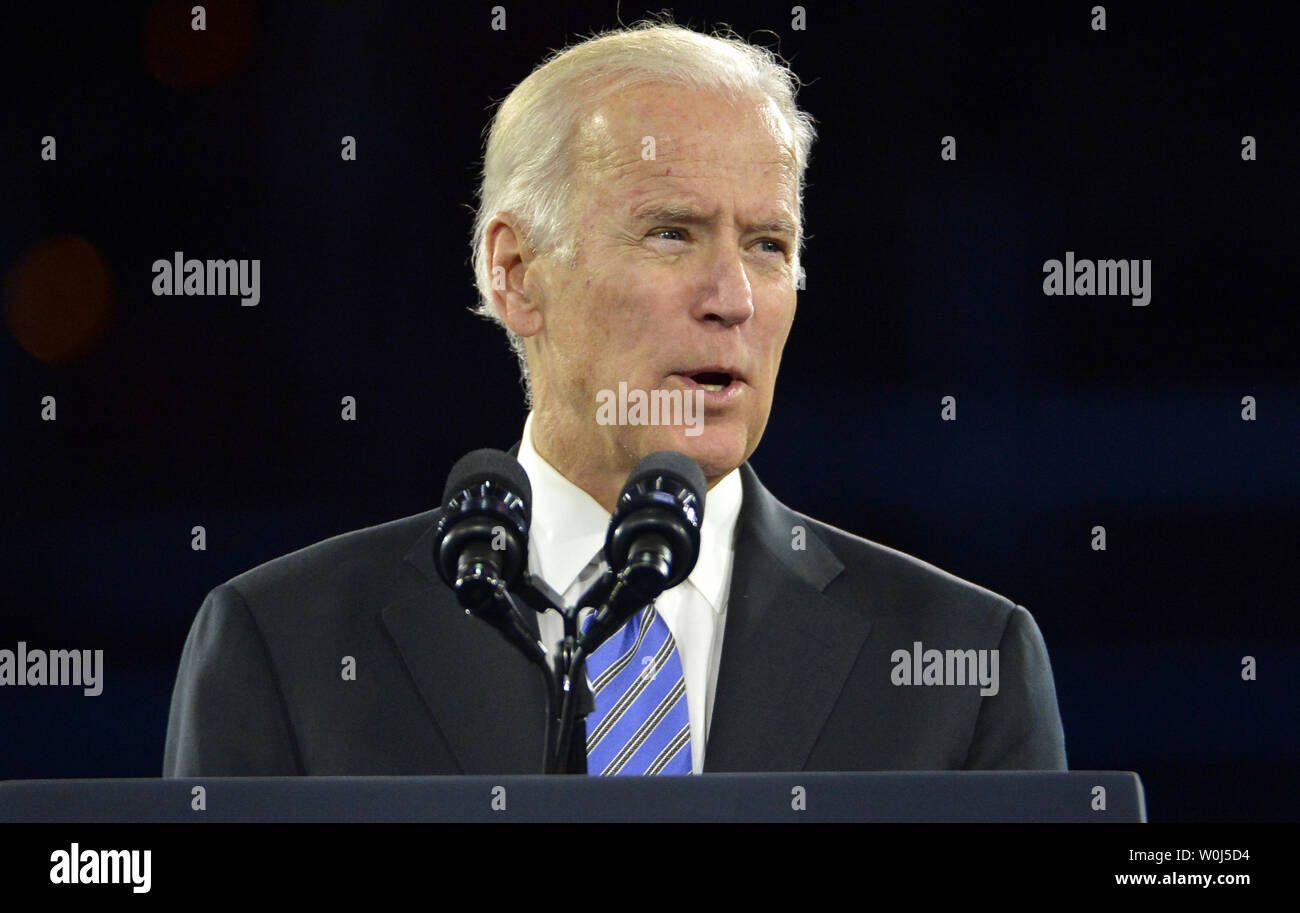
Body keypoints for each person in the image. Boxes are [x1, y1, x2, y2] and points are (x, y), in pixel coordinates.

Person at [164, 22, 1066, 777]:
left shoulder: (965, 666)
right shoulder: (285, 646)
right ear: (516, 272)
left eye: (768, 245)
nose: (734, 298)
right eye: (671, 232)